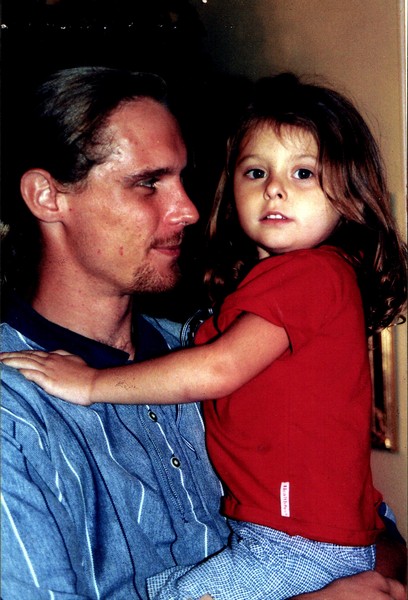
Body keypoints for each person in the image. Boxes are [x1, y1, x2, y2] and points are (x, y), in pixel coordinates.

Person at [0, 68, 406, 600]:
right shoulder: (14, 411)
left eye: (183, 180)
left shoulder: (201, 345)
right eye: (148, 182)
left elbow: (379, 538)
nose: (188, 210)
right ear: (47, 197)